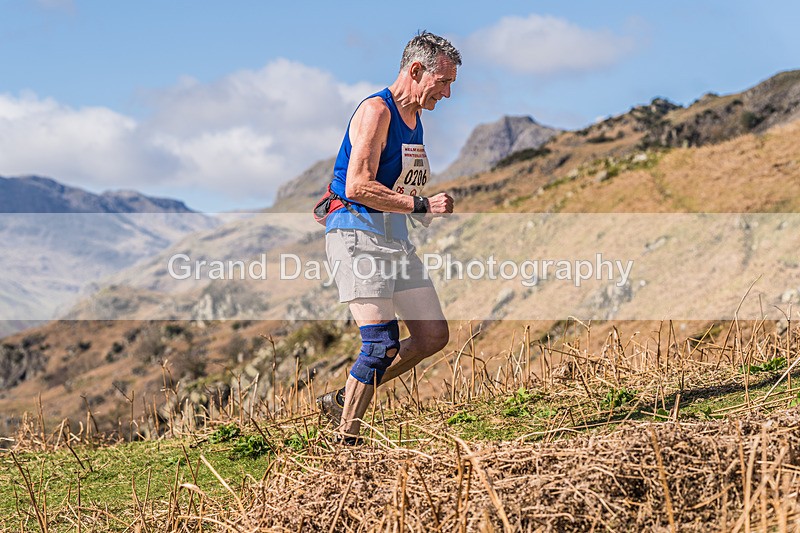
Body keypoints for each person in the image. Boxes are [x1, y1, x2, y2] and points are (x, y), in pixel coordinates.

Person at [316, 31, 461, 444]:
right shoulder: (376, 111)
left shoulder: (415, 120)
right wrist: (421, 207)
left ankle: (345, 397)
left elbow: (395, 184)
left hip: (393, 237)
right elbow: (358, 186)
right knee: (380, 345)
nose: (448, 94)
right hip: (357, 233)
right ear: (416, 70)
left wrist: (418, 204)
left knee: (432, 336)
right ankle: (346, 444)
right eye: (444, 82)